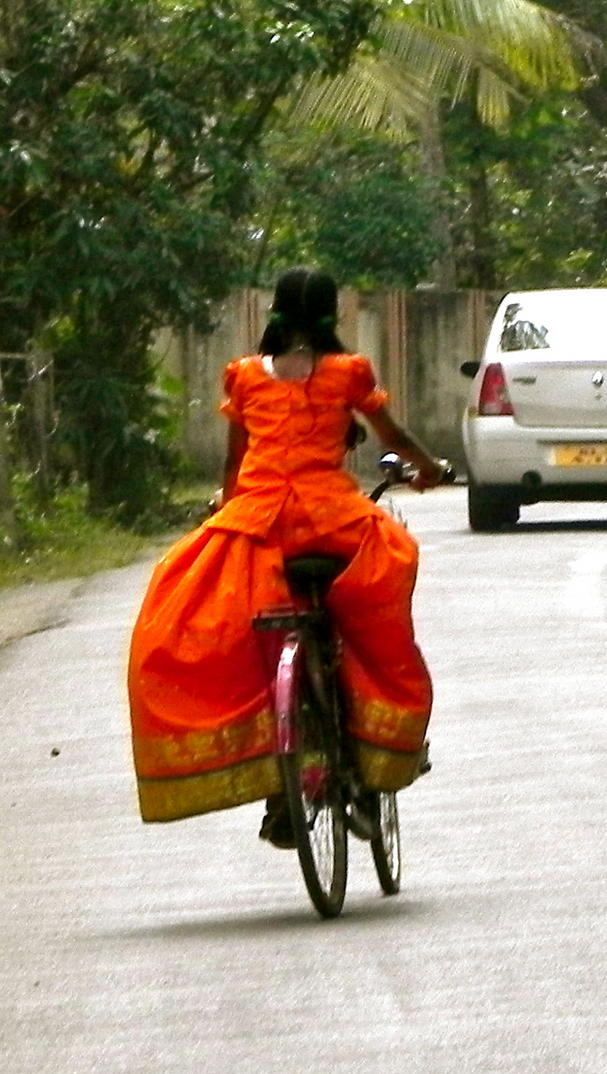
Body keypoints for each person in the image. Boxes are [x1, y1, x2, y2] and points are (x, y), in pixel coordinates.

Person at [126, 268, 446, 841]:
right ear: (333, 318)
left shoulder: (245, 377)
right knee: (372, 623)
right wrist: (430, 469)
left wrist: (226, 512)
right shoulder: (348, 373)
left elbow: (234, 467)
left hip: (261, 527)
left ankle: (275, 769)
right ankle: (373, 762)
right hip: (333, 526)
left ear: (273, 314)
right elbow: (393, 438)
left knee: (227, 628)